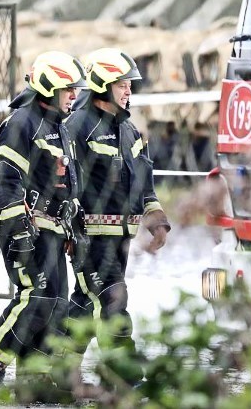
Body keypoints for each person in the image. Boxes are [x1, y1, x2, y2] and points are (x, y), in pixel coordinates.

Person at [0, 50, 88, 394]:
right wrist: (18, 228)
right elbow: (6, 182)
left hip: (53, 230)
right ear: (49, 88)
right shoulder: (22, 122)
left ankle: (34, 379)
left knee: (56, 304)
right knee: (34, 298)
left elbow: (69, 184)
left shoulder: (59, 128)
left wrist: (74, 228)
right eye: (68, 90)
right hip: (26, 229)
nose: (74, 96)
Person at [63, 47, 171, 387]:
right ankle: (124, 379)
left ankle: (55, 370)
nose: (128, 91)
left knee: (85, 303)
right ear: (102, 85)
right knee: (112, 299)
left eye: (130, 85)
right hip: (88, 238)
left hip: (121, 239)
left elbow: (145, 184)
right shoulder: (76, 127)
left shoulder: (131, 133)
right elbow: (60, 181)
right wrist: (65, 229)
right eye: (122, 84)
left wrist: (157, 219)